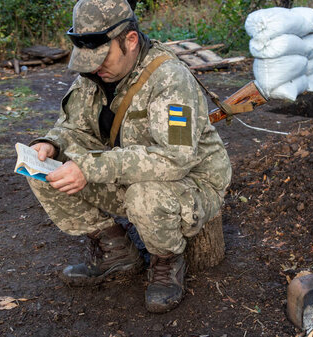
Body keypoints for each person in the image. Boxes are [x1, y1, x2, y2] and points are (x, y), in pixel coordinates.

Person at [25, 0, 231, 313]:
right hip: (127, 172)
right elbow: (71, 126)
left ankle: (166, 259)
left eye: (101, 56)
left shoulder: (169, 79)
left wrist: (89, 167)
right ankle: (114, 250)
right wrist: (51, 144)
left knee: (144, 195)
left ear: (131, 40)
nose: (94, 67)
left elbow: (175, 159)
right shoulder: (95, 75)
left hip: (192, 181)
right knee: (44, 171)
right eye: (87, 59)